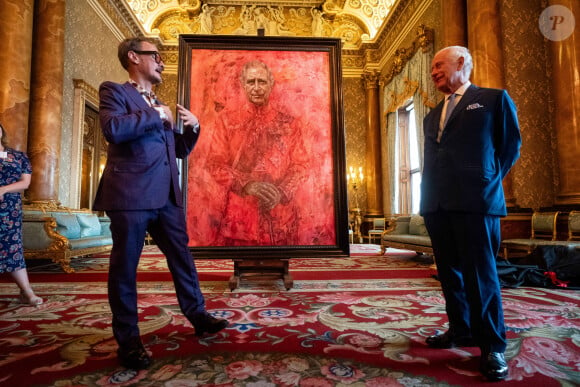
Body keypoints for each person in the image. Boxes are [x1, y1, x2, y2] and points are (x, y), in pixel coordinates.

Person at [93, 37, 228, 370]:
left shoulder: (160, 103)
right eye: (157, 55)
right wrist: (156, 114)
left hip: (166, 196)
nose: (163, 62)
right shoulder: (114, 91)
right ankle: (129, 341)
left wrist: (193, 129)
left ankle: (198, 316)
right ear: (134, 57)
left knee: (181, 258)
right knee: (125, 268)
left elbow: (177, 151)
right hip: (130, 195)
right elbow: (112, 129)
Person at [420, 46, 521, 381]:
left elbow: (509, 146)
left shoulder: (493, 100)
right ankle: (460, 329)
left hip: (476, 202)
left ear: (461, 63)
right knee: (449, 274)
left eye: (438, 65)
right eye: (432, 67)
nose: (433, 71)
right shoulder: (431, 114)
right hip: (436, 204)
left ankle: (492, 346)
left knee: (481, 274)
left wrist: (486, 181)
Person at [202, 60, 308, 246]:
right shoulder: (227, 121)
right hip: (241, 214)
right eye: (251, 82)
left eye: (262, 81)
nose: (257, 88)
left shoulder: (290, 123)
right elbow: (215, 164)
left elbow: (301, 165)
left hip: (280, 215)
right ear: (243, 84)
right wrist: (246, 184)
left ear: (271, 84)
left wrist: (281, 192)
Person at [0, 123, 43, 306]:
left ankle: (27, 292)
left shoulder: (17, 156)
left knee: (13, 248)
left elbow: (25, 182)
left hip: (10, 209)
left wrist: (2, 189)